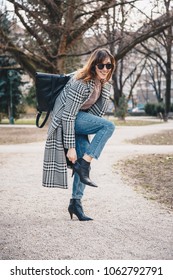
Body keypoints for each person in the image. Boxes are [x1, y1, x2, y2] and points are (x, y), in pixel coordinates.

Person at [43, 48, 116, 221]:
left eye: (109, 65)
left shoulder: (102, 83)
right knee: (108, 127)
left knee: (83, 166)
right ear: (93, 65)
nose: (105, 69)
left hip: (79, 120)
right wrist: (70, 147)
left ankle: (75, 203)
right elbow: (68, 115)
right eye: (101, 65)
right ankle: (84, 164)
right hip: (66, 121)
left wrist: (105, 87)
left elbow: (95, 113)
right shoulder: (81, 83)